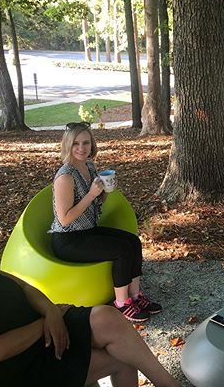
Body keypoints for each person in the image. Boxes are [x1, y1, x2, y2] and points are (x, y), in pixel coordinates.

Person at [0, 208, 180, 387]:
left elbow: (26, 288)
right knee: (120, 359)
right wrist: (45, 324)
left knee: (107, 318)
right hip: (12, 372)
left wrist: (51, 311)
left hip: (38, 342)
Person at [50, 122, 160, 322]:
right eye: (76, 144)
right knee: (121, 250)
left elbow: (95, 203)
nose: (82, 148)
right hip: (68, 241)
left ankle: (136, 296)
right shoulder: (65, 177)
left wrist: (104, 193)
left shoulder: (89, 167)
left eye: (86, 143)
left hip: (87, 231)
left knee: (133, 241)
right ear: (67, 145)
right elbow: (65, 220)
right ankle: (121, 303)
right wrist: (92, 194)